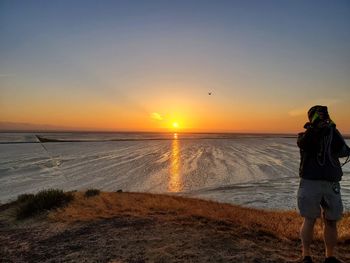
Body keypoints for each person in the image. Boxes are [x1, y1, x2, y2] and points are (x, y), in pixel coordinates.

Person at [297, 105, 350, 263]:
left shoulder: (326, 132)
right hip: (322, 182)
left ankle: (320, 257)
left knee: (321, 220)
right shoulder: (309, 134)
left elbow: (344, 151)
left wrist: (329, 128)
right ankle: (317, 256)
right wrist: (324, 128)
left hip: (315, 182)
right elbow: (305, 144)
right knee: (319, 220)